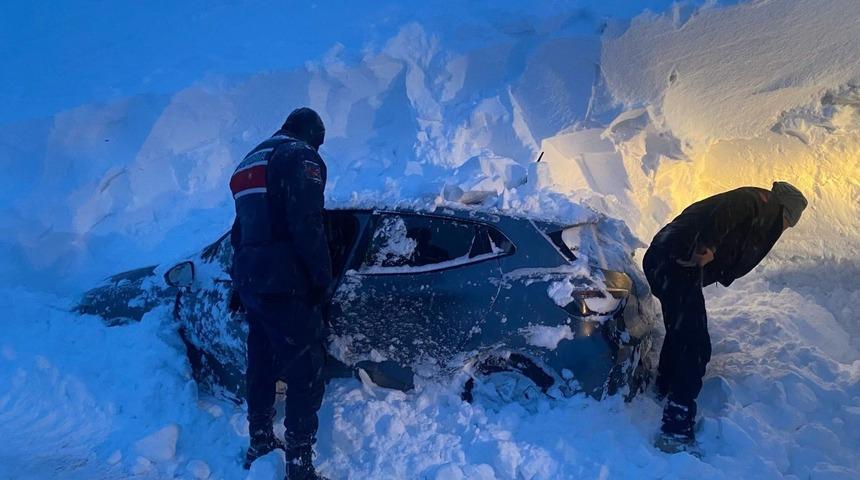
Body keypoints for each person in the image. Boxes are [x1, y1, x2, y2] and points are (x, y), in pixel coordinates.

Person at [643, 182, 808, 454]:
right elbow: (730, 210)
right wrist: (705, 245)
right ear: (788, 214)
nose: (787, 228)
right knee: (696, 345)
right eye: (790, 222)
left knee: (680, 332)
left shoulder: (762, 210)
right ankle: (674, 430)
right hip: (676, 262)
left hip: (668, 262)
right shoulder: (760, 202)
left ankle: (664, 386)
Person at [229, 107, 332, 479]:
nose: (318, 150)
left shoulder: (249, 160)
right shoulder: (300, 156)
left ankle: (259, 440)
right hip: (285, 280)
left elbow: (240, 229)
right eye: (319, 143)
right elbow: (308, 222)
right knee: (305, 370)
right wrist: (322, 278)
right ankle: (299, 467)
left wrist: (237, 282)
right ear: (311, 134)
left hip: (252, 279)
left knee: (261, 362)